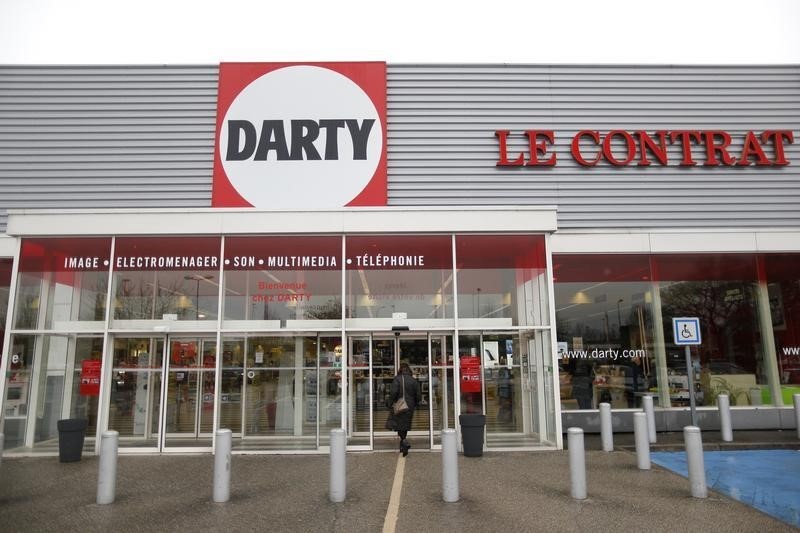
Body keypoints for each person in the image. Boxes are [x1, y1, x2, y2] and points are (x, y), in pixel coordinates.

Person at [386, 362, 421, 456]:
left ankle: (404, 442)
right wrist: (416, 404)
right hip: (410, 406)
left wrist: (390, 403)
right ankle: (402, 446)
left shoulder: (397, 379)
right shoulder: (413, 380)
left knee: (399, 425)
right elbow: (418, 395)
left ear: (400, 370)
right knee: (405, 425)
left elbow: (393, 392)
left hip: (400, 404)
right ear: (409, 370)